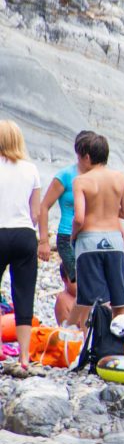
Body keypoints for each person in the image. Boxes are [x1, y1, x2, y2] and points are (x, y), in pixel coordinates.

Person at [71, 132, 124, 319]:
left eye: (79, 157)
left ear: (87, 157)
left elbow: (79, 218)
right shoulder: (120, 178)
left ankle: (86, 341)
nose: (78, 163)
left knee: (91, 302)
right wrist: (111, 210)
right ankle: (117, 343)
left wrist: (73, 235)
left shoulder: (80, 181)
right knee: (120, 301)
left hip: (89, 242)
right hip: (114, 241)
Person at [0, 120, 41, 369]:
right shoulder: (31, 169)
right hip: (24, 234)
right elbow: (35, 213)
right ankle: (24, 357)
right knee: (24, 294)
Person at [38, 130, 95, 281]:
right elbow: (44, 207)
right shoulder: (65, 175)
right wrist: (43, 242)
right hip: (68, 236)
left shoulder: (97, 176)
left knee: (91, 283)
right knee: (79, 282)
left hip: (91, 236)